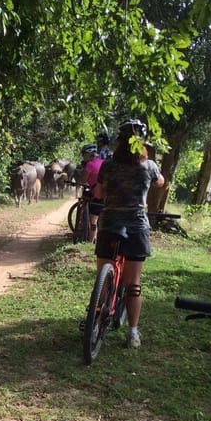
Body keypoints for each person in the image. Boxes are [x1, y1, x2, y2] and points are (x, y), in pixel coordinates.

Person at [92, 119, 165, 349]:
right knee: (133, 283)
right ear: (141, 142)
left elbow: (99, 192)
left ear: (119, 142)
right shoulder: (150, 166)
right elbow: (161, 182)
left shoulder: (108, 166)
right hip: (136, 226)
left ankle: (94, 320)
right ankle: (133, 333)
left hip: (109, 223)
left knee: (102, 280)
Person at [79, 143, 104, 242]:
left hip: (96, 195)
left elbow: (82, 180)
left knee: (93, 220)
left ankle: (90, 241)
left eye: (83, 155)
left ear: (89, 154)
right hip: (107, 195)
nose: (83, 157)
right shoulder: (103, 162)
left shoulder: (90, 164)